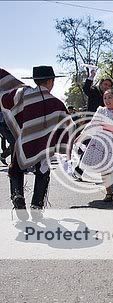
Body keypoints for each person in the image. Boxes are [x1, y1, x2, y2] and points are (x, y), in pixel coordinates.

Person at [0, 66, 71, 221]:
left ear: (35, 80)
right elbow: (67, 126)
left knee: (16, 168)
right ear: (51, 81)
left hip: (23, 141)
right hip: (45, 145)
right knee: (43, 171)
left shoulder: (22, 94)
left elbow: (5, 101)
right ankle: (36, 206)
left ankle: (18, 196)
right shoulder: (57, 103)